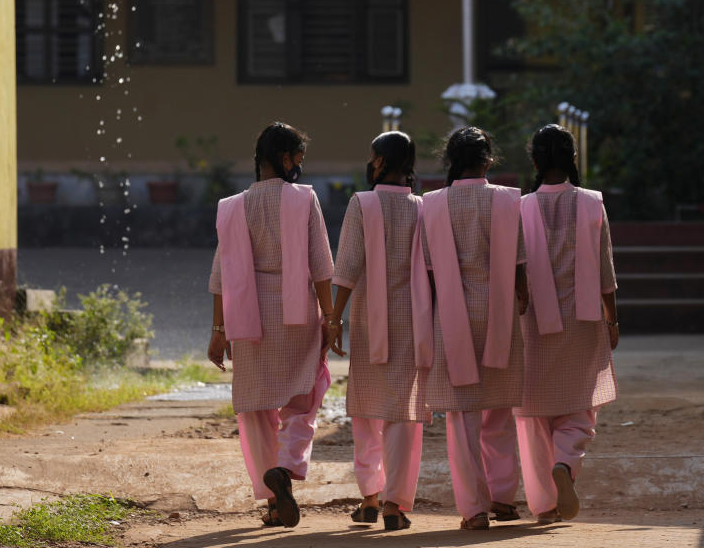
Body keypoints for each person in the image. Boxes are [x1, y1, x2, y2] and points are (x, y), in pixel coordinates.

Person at [207, 122, 335, 529]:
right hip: (297, 313)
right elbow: (321, 264)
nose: (300, 164)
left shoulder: (231, 206)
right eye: (298, 157)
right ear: (285, 158)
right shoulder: (303, 199)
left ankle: (274, 500)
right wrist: (331, 318)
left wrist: (218, 330)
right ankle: (286, 468)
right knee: (304, 397)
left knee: (258, 410)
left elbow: (220, 273)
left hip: (248, 317)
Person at [421, 126, 528, 530]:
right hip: (498, 309)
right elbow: (519, 262)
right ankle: (503, 496)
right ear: (488, 160)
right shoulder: (505, 200)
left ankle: (474, 508)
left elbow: (429, 269)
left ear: (451, 160)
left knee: (462, 417)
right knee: (498, 410)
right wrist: (522, 297)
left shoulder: (433, 203)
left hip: (452, 313)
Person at [514, 123, 619, 524]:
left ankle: (543, 505)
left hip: (533, 323)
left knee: (533, 418)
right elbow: (606, 273)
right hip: (583, 319)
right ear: (573, 159)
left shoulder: (520, 207)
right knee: (578, 408)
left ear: (536, 161)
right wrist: (613, 319)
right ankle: (566, 461)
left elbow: (515, 270)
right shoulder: (593, 203)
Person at [329, 131, 432, 531]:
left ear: (382, 161)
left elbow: (348, 266)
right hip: (412, 318)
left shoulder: (362, 202)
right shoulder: (423, 207)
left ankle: (370, 496)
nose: (369, 162)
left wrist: (334, 317)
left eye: (373, 156)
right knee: (405, 413)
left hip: (370, 318)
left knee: (366, 409)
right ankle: (394, 504)